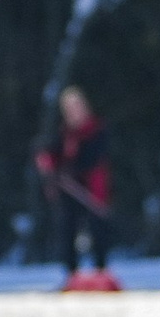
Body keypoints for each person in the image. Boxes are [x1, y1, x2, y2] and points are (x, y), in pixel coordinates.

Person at [36, 85, 112, 276]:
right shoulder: (63, 133)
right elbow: (48, 152)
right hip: (70, 191)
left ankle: (100, 272)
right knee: (67, 228)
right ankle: (71, 274)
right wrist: (49, 166)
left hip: (92, 189)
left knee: (97, 230)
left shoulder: (97, 129)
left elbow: (94, 157)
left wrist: (70, 171)